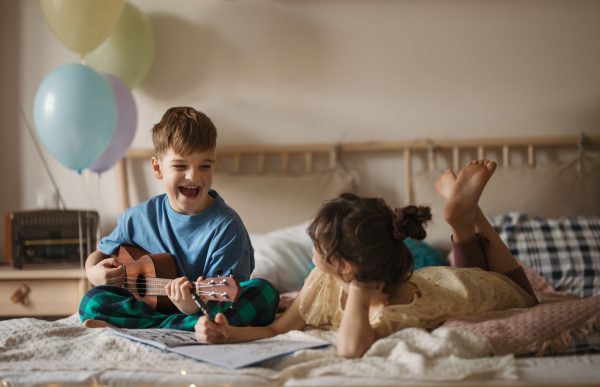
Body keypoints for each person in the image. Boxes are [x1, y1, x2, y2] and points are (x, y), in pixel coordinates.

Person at [194, 159, 538, 358]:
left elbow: (350, 349)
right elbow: (274, 330)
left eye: (317, 242)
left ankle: (467, 214)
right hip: (451, 282)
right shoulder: (322, 278)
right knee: (473, 271)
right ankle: (464, 216)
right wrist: (228, 335)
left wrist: (357, 292)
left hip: (479, 291)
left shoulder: (391, 311)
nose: (310, 244)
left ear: (346, 266)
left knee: (524, 294)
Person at [81, 107, 279, 330]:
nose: (193, 176)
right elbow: (100, 254)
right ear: (158, 168)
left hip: (204, 310)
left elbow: (226, 300)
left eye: (204, 166)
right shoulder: (137, 218)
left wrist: (193, 307)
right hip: (151, 308)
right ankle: (182, 327)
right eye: (180, 166)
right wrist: (93, 272)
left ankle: (160, 326)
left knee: (264, 293)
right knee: (92, 301)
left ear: (213, 165)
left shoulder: (227, 227)